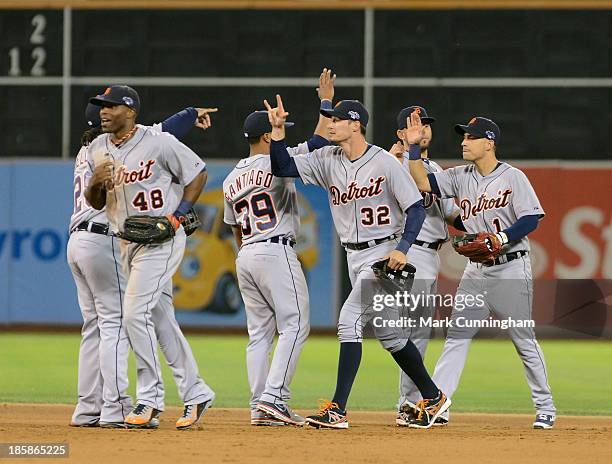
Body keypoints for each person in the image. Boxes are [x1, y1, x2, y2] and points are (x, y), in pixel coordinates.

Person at [266, 94, 451, 430]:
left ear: (354, 124)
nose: (330, 124)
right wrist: (278, 131)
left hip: (384, 254)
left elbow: (416, 207)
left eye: (336, 119)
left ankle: (337, 408)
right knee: (390, 334)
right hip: (353, 254)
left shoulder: (384, 162)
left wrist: (403, 248)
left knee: (349, 321)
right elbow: (282, 167)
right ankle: (434, 396)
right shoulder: (326, 159)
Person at [69, 98, 216, 428]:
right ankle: (196, 392)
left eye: (111, 106)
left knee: (133, 314)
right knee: (162, 320)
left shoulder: (156, 140)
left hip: (163, 238)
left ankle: (150, 399)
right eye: (100, 107)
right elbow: (95, 200)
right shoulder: (98, 150)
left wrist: (178, 216)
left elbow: (198, 172)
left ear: (131, 111)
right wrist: (95, 182)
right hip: (127, 244)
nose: (104, 111)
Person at [406, 113, 557, 429]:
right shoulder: (459, 176)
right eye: (463, 137)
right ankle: (440, 404)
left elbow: (531, 219)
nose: (463, 142)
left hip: (510, 268)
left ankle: (546, 407)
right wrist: (414, 148)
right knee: (456, 339)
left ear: (489, 143)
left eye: (470, 137)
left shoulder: (512, 177)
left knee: (523, 340)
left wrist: (502, 237)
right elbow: (421, 181)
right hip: (475, 273)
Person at [224, 69, 334, 427]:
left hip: (247, 254)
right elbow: (317, 144)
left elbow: (234, 229)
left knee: (259, 334)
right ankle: (275, 399)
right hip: (275, 249)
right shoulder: (277, 163)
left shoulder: (230, 178)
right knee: (296, 323)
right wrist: (326, 104)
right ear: (267, 133)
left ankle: (260, 406)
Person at [389, 106, 465, 427]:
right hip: (406, 252)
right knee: (401, 332)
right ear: (401, 134)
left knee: (419, 334)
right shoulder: (390, 163)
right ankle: (415, 399)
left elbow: (451, 214)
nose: (423, 129)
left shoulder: (433, 169)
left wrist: (477, 225)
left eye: (427, 124)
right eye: (415, 125)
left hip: (430, 255)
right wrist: (399, 156)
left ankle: (409, 403)